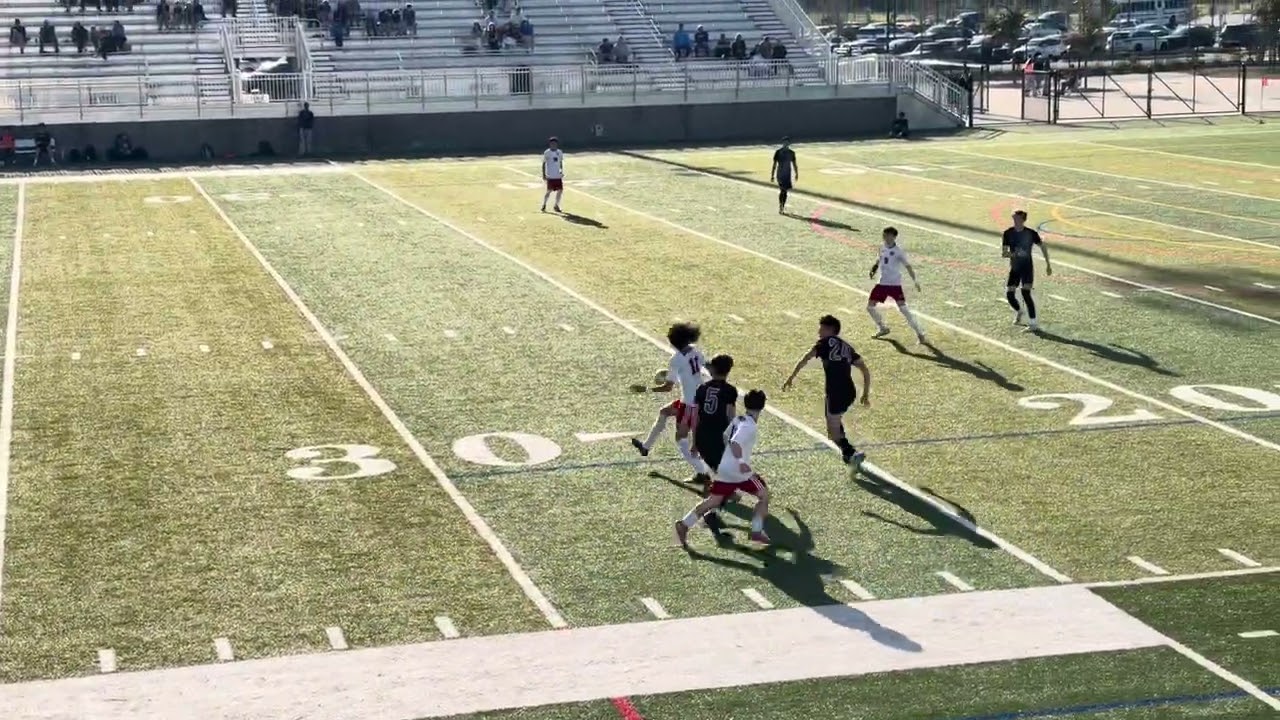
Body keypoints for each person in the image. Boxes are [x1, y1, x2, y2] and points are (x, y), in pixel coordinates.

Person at [675, 389, 771, 547]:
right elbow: (734, 442)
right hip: (739, 471)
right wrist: (740, 462)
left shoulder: (738, 419)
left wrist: (729, 458)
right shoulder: (749, 426)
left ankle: (684, 524)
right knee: (764, 495)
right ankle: (756, 531)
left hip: (725, 468)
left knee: (714, 500)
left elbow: (726, 437)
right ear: (762, 407)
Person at [782, 315, 870, 467]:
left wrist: (791, 376)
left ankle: (851, 453)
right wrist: (865, 393)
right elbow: (865, 369)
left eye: (821, 329)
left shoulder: (823, 343)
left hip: (835, 393)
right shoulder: (847, 347)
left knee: (833, 434)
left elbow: (805, 358)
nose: (819, 332)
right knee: (835, 422)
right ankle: (848, 454)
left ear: (830, 329)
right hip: (850, 391)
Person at [630, 322, 711, 482]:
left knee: (681, 441)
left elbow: (667, 387)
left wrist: (647, 390)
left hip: (690, 404)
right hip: (698, 398)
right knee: (664, 412)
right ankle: (646, 447)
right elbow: (706, 366)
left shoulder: (676, 359)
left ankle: (702, 472)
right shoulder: (695, 351)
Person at [692, 354, 738, 536]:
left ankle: (715, 502)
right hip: (718, 438)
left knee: (721, 474)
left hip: (702, 436)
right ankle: (709, 512)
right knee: (727, 477)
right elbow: (731, 417)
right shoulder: (729, 391)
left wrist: (694, 441)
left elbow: (695, 417)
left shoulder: (702, 389)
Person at [867, 227, 925, 343]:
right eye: (884, 235)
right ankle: (882, 328)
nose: (884, 237)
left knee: (904, 309)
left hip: (894, 285)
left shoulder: (899, 252)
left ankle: (920, 333)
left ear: (893, 237)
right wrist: (874, 268)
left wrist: (915, 281)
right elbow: (879, 259)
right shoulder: (881, 247)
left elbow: (908, 267)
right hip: (882, 284)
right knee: (870, 307)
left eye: (887, 235)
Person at [1002, 210, 1052, 331]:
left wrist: (1048, 264)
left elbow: (1042, 246)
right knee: (1009, 294)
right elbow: (1004, 253)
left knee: (1026, 293)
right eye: (1014, 218)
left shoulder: (1030, 233)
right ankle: (1019, 311)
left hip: (1027, 268)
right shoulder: (1008, 233)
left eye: (1016, 218)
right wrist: (1015, 254)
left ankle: (1033, 323)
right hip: (1015, 268)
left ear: (1022, 220)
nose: (1014, 220)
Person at [770, 137, 797, 214]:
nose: (786, 144)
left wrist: (796, 173)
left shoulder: (792, 153)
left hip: (787, 174)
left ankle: (782, 205)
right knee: (783, 190)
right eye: (785, 142)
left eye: (787, 142)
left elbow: (794, 164)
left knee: (785, 192)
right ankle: (781, 206)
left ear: (789, 143)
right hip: (780, 174)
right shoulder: (778, 152)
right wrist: (772, 175)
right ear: (782, 143)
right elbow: (774, 164)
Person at [540, 136, 563, 213]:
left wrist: (561, 171)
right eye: (552, 143)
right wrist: (544, 174)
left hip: (557, 176)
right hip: (550, 176)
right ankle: (544, 204)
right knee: (549, 191)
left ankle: (556, 205)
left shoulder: (559, 152)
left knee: (560, 190)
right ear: (550, 144)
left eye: (555, 143)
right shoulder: (547, 153)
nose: (553, 145)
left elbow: (560, 162)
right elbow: (544, 163)